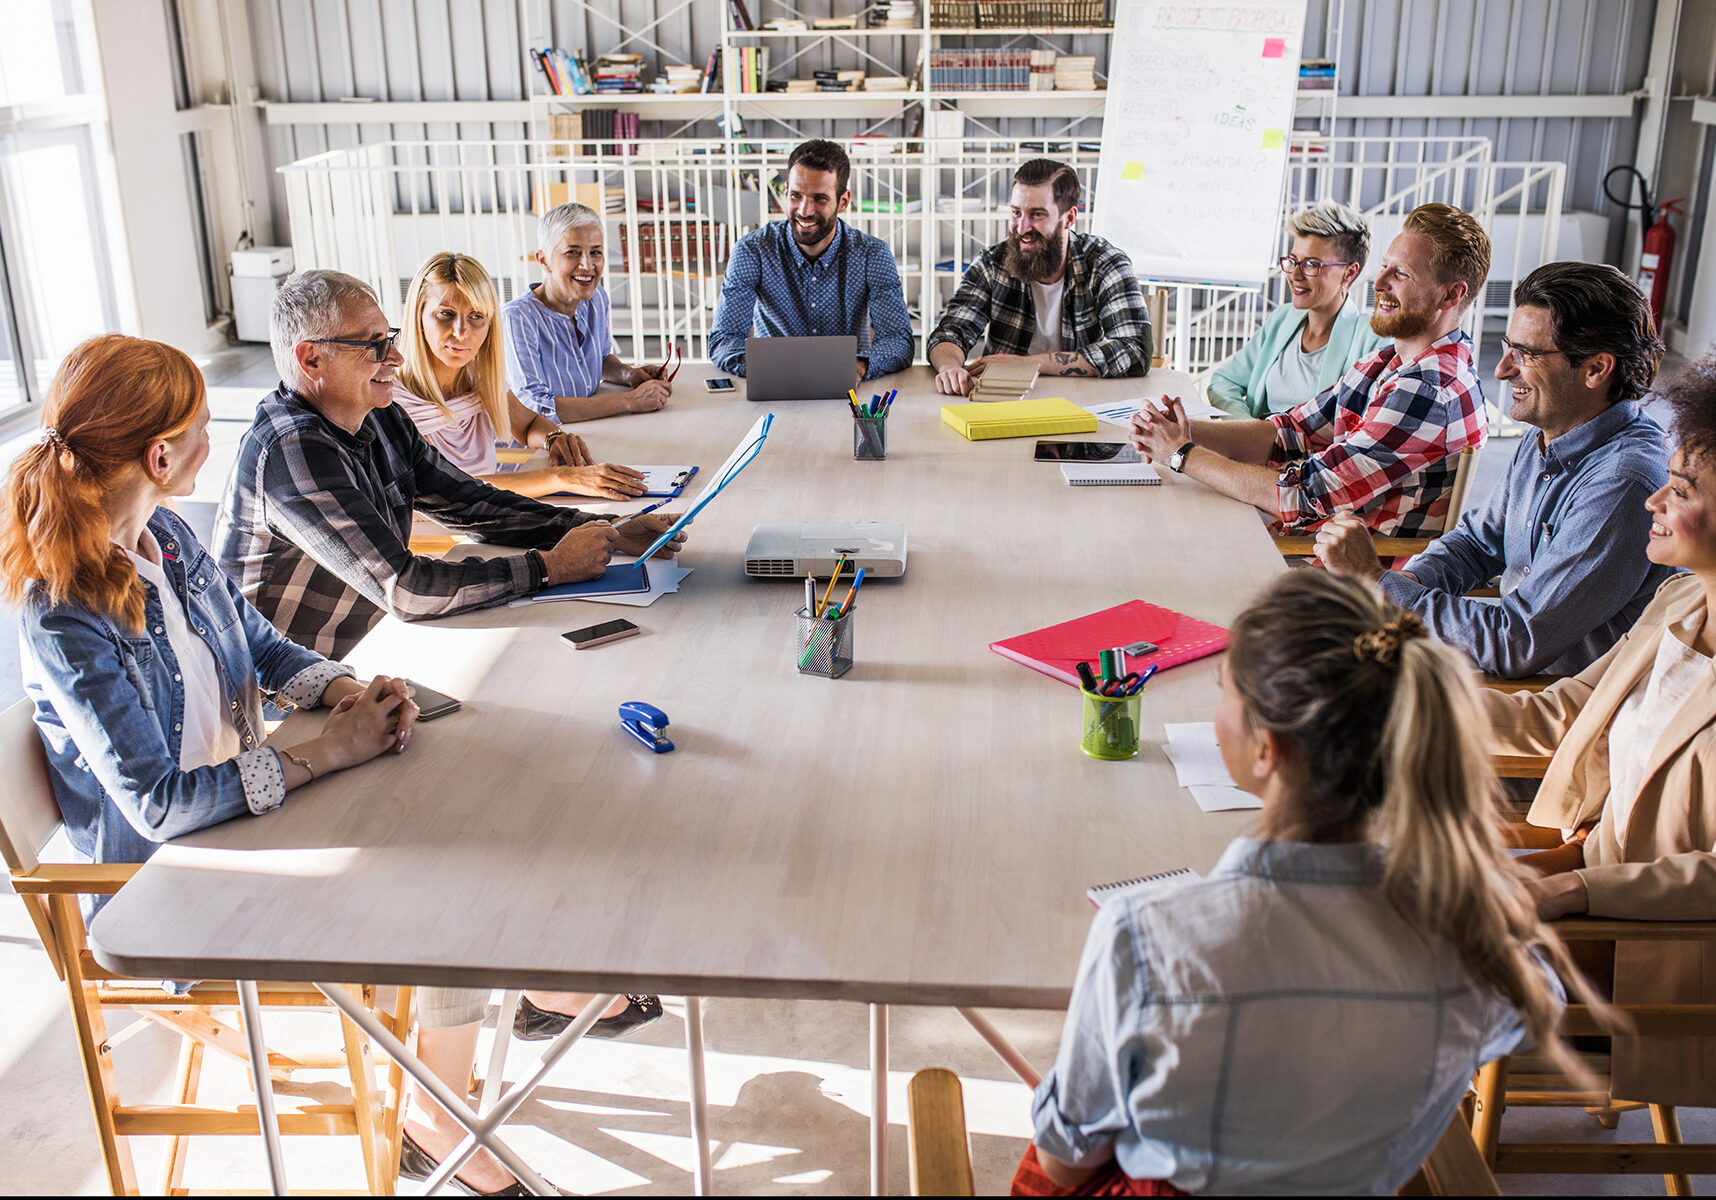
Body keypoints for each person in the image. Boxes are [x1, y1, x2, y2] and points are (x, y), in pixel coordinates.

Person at [1020, 571, 1592, 1196]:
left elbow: (1065, 1160)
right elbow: (1535, 993)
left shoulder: (1143, 935)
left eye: (1224, 695)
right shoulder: (1476, 949)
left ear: (1265, 748)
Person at [1, 333, 417, 901]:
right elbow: (159, 804)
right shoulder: (63, 612)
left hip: (249, 822)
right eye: (203, 427)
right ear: (160, 457)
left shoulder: (165, 534)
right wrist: (332, 749)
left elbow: (263, 650)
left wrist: (358, 695)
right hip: (168, 884)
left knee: (417, 844)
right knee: (412, 888)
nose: (210, 441)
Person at [214, 269, 685, 660]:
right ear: (311, 359)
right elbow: (408, 589)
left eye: (390, 339)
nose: (395, 357)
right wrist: (550, 567)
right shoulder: (292, 450)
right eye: (374, 346)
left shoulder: (380, 416)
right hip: (287, 687)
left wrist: (610, 528)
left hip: (364, 647)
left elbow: (471, 503)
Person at [1492, 353, 1716, 1109]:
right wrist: (1398, 696)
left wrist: (1576, 891)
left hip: (1651, 952)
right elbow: (1562, 713)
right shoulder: (1680, 601)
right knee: (1370, 867)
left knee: (1388, 942)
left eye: (1680, 491)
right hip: (1583, 877)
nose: (1653, 499)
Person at [1316, 262, 1673, 678]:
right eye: (1508, 347)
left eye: (1527, 354)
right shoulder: (1550, 432)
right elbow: (1477, 544)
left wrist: (1376, 583)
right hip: (1511, 671)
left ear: (1596, 369)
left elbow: (1513, 642)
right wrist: (1399, 589)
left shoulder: (1623, 484)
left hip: (1557, 702)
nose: (1502, 369)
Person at [1129, 202, 1490, 537]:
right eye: (1384, 267)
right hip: (1313, 544)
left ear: (1450, 295)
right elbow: (1289, 432)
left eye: (1402, 274)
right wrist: (1177, 433)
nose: (1379, 284)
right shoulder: (1389, 362)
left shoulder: (1426, 389)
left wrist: (1182, 453)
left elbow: (1301, 496)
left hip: (1347, 580)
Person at [395, 251, 648, 501]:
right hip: (435, 533)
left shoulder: (477, 374)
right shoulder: (389, 394)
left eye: (476, 316)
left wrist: (554, 438)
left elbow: (527, 425)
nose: (461, 332)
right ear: (418, 315)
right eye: (446, 314)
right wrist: (562, 477)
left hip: (488, 511)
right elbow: (448, 487)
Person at [929, 158, 1153, 396]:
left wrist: (1030, 363)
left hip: (1084, 401)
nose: (1022, 228)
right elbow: (949, 332)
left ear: (1069, 218)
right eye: (1016, 213)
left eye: (1037, 215)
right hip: (1004, 400)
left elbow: (1134, 349)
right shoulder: (991, 264)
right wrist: (949, 367)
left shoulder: (1106, 263)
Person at [707, 138, 914, 383]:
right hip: (773, 387)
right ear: (786, 193)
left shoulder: (872, 254)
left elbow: (897, 339)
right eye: (796, 196)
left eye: (820, 199)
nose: (805, 211)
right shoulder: (752, 250)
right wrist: (764, 370)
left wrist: (858, 367)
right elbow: (724, 338)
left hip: (846, 390)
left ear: (843, 201)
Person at [1207, 201, 1386, 417]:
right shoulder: (1282, 320)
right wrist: (1247, 426)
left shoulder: (1372, 340)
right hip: (1254, 446)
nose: (1295, 275)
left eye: (1311, 264)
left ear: (1349, 273)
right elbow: (1223, 382)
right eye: (1293, 261)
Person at [502, 202, 676, 422]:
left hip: (591, 429)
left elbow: (599, 360)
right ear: (544, 261)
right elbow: (537, 407)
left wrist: (629, 375)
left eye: (596, 252)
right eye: (572, 253)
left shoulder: (597, 298)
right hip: (542, 446)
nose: (587, 264)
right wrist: (631, 401)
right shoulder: (517, 318)